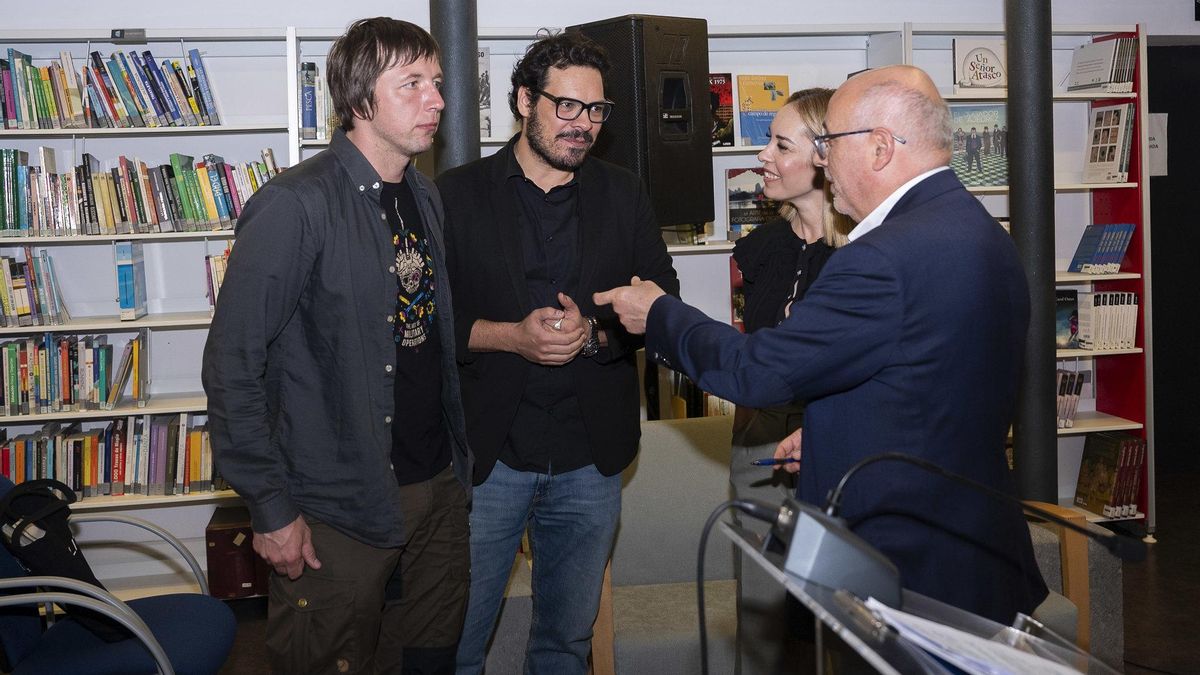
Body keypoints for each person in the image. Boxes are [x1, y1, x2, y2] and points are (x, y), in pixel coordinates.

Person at [595, 64, 1048, 625]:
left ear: (880, 147)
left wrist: (659, 312)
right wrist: (841, 436)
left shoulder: (881, 257)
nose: (822, 159)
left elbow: (759, 372)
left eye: (829, 142)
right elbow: (933, 386)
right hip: (971, 548)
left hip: (907, 565)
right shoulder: (980, 230)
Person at [202, 18, 471, 674]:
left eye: (436, 83)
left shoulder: (426, 195)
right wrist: (269, 510)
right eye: (411, 84)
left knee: (429, 660)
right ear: (358, 100)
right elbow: (233, 363)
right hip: (339, 506)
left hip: (437, 489)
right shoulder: (294, 205)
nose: (436, 99)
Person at [436, 31, 679, 674]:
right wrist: (510, 335)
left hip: (590, 458)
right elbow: (423, 319)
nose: (583, 125)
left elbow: (662, 302)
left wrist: (595, 335)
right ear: (523, 100)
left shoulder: (623, 193)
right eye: (565, 106)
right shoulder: (453, 194)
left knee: (566, 644)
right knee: (457, 644)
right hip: (487, 456)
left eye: (596, 111)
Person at [728, 87, 853, 675]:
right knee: (762, 613)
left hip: (836, 449)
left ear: (825, 156)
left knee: (839, 618)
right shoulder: (756, 248)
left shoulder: (865, 255)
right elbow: (753, 351)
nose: (764, 158)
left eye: (780, 145)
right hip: (757, 445)